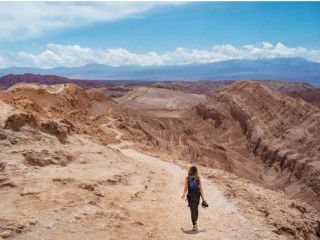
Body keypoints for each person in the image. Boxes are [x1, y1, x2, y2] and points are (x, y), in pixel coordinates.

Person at [181, 166, 207, 231]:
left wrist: (183, 194)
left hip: (190, 196)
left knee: (192, 211)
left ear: (190, 171)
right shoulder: (198, 178)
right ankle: (195, 222)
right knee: (196, 209)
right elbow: (201, 189)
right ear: (196, 172)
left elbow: (186, 187)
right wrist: (203, 198)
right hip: (197, 196)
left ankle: (194, 225)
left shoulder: (187, 178)